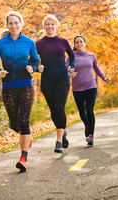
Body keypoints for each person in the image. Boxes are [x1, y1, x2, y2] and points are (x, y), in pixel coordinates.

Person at [0, 11, 40, 172]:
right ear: (7, 25)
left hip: (25, 84)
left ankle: (23, 157)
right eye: (10, 23)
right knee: (14, 123)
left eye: (16, 23)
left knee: (24, 121)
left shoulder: (29, 42)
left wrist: (31, 68)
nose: (13, 26)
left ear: (21, 24)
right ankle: (27, 137)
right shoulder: (0, 43)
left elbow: (36, 60)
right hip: (8, 86)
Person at [36, 14, 75, 154]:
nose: (50, 27)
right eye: (47, 24)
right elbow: (32, 60)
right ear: (44, 26)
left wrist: (71, 66)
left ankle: (58, 142)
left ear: (57, 26)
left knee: (59, 108)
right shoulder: (39, 44)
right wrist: (37, 67)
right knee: (53, 111)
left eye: (52, 24)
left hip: (62, 79)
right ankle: (62, 131)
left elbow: (72, 55)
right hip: (47, 80)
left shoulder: (63, 42)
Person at [68, 35, 110, 146]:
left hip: (91, 86)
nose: (79, 43)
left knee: (89, 109)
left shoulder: (91, 56)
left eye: (81, 41)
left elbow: (96, 68)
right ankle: (87, 125)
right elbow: (65, 71)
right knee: (82, 112)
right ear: (75, 45)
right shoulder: (71, 57)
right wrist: (69, 74)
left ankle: (90, 135)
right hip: (77, 88)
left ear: (85, 43)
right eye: (77, 42)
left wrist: (103, 77)